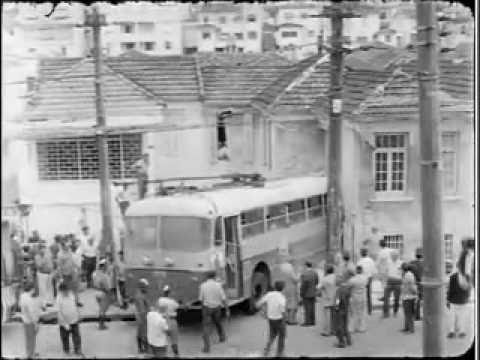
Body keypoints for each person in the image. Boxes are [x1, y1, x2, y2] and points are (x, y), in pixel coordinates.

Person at [199, 270, 229, 353]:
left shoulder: (203, 286)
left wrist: (203, 309)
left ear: (207, 277)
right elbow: (223, 298)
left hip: (207, 308)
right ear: (214, 276)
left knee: (206, 327)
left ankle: (206, 348)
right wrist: (227, 309)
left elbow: (201, 299)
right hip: (217, 308)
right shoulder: (218, 285)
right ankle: (222, 337)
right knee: (218, 323)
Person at [256, 280, 287, 357]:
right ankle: (279, 353)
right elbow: (283, 312)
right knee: (282, 336)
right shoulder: (282, 298)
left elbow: (258, 304)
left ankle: (266, 351)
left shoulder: (269, 294)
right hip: (279, 320)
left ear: (275, 287)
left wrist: (263, 312)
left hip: (270, 319)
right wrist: (284, 323)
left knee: (272, 335)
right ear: (282, 288)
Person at [56, 281, 83, 356]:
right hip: (64, 321)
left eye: (67, 290)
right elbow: (59, 312)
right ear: (61, 291)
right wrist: (65, 324)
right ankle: (66, 350)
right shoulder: (59, 298)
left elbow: (75, 305)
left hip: (74, 319)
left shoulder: (72, 295)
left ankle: (77, 349)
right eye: (64, 291)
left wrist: (79, 314)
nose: (66, 292)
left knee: (76, 335)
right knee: (64, 337)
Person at [446, 268, 472, 339]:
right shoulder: (468, 276)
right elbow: (469, 289)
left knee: (452, 316)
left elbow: (450, 290)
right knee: (462, 316)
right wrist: (467, 297)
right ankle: (461, 332)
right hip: (463, 300)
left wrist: (448, 299)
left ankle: (451, 331)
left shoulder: (453, 277)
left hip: (454, 300)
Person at [275, 255, 300, 325]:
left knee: (285, 303)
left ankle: (285, 318)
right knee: (292, 304)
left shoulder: (281, 267)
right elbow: (295, 279)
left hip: (283, 287)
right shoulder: (290, 268)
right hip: (291, 288)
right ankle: (291, 320)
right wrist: (299, 276)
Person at [332, 270, 354, 348]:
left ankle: (341, 342)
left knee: (339, 326)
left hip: (340, 310)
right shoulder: (347, 289)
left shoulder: (339, 290)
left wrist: (336, 308)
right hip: (346, 309)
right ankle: (349, 340)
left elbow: (338, 301)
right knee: (345, 325)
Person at [57, 240, 82, 307]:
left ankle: (76, 302)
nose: (68, 247)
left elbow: (72, 261)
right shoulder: (60, 254)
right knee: (66, 290)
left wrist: (78, 267)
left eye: (68, 246)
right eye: (66, 246)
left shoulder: (69, 251)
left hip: (72, 273)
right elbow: (59, 266)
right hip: (65, 274)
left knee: (75, 288)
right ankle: (66, 304)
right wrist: (61, 277)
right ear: (63, 246)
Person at [19, 282, 41, 358]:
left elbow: (22, 307)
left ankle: (29, 353)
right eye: (34, 289)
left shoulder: (22, 296)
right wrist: (36, 323)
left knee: (28, 338)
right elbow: (31, 312)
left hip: (25, 320)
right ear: (32, 289)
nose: (34, 290)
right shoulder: (29, 299)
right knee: (32, 338)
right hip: (31, 321)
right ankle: (31, 354)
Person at [158, 285, 180, 357]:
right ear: (169, 292)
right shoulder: (172, 301)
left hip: (162, 321)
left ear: (163, 292)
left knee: (161, 341)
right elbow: (178, 306)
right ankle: (176, 354)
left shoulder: (160, 300)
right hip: (172, 321)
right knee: (174, 341)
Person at [92, 259, 112, 330]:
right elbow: (106, 287)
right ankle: (101, 325)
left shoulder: (94, 273)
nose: (107, 267)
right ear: (103, 266)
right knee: (103, 310)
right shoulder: (104, 276)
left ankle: (100, 324)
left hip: (96, 292)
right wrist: (110, 294)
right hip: (103, 293)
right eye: (106, 266)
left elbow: (93, 283)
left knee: (101, 309)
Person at [348, 265, 368, 333]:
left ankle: (351, 328)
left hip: (354, 297)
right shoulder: (365, 278)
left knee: (353, 313)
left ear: (356, 271)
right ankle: (361, 328)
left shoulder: (352, 280)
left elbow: (348, 287)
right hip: (362, 297)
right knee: (361, 313)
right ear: (362, 271)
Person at [356, 247, 377, 315]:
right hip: (369, 278)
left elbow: (357, 271)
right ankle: (369, 310)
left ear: (361, 253)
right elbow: (374, 271)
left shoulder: (359, 261)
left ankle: (362, 310)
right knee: (368, 295)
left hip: (362, 278)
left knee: (361, 294)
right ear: (366, 253)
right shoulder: (370, 260)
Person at [383, 250, 403, 318]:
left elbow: (403, 273)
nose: (394, 257)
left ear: (397, 256)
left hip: (398, 281)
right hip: (389, 281)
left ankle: (395, 312)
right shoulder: (388, 262)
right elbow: (385, 272)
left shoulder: (401, 263)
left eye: (395, 255)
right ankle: (386, 313)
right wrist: (384, 282)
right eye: (392, 255)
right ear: (391, 256)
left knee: (396, 299)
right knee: (386, 298)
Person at [318, 264, 336, 336]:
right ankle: (334, 330)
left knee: (327, 317)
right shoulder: (336, 278)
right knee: (334, 316)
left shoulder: (324, 279)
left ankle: (327, 331)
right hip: (335, 299)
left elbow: (318, 287)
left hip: (327, 300)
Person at [34, 243, 54, 307]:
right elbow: (39, 266)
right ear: (39, 249)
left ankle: (50, 302)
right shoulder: (37, 256)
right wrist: (44, 259)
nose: (43, 250)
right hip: (42, 274)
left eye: (44, 248)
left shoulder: (48, 255)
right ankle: (43, 303)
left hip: (49, 274)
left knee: (50, 288)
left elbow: (51, 263)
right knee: (42, 289)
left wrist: (52, 271)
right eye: (41, 248)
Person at [134, 278, 151, 353]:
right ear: (142, 286)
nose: (147, 288)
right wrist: (145, 317)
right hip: (142, 316)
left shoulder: (140, 294)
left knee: (140, 332)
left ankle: (141, 348)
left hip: (140, 315)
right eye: (145, 287)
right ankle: (144, 349)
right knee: (143, 333)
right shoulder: (140, 296)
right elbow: (142, 309)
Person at [300, 261, 319, 326]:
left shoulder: (305, 274)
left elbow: (304, 285)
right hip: (313, 292)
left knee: (307, 308)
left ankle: (307, 322)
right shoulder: (315, 273)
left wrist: (301, 293)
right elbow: (317, 282)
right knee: (312, 308)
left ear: (306, 266)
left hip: (306, 293)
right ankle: (312, 321)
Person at [400, 263, 417, 334]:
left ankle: (411, 329)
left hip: (409, 297)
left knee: (409, 314)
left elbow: (411, 286)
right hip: (406, 296)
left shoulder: (409, 275)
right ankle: (406, 328)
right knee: (407, 313)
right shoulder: (407, 275)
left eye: (401, 269)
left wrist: (415, 293)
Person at [408, 247, 424, 321]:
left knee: (415, 300)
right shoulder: (425, 263)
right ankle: (422, 315)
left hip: (414, 283)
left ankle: (415, 315)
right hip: (422, 284)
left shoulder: (411, 263)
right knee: (423, 300)